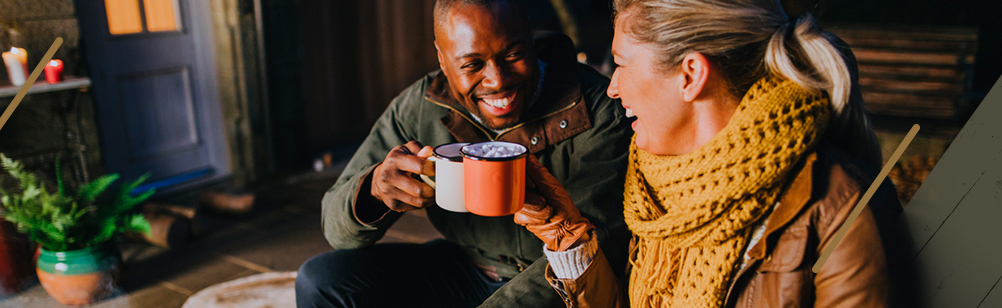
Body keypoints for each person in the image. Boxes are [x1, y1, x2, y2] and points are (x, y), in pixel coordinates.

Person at [514, 0, 918, 307]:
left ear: (690, 75)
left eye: (621, 64)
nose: (612, 88)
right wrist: (568, 238)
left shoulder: (843, 214)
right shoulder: (662, 185)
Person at [294, 0, 634, 307]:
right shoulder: (420, 106)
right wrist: (373, 191)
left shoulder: (597, 107)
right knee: (322, 281)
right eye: (472, 65)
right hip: (468, 267)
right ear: (442, 59)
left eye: (513, 54)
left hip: (556, 282)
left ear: (531, 39)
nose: (497, 81)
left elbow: (600, 243)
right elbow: (336, 229)